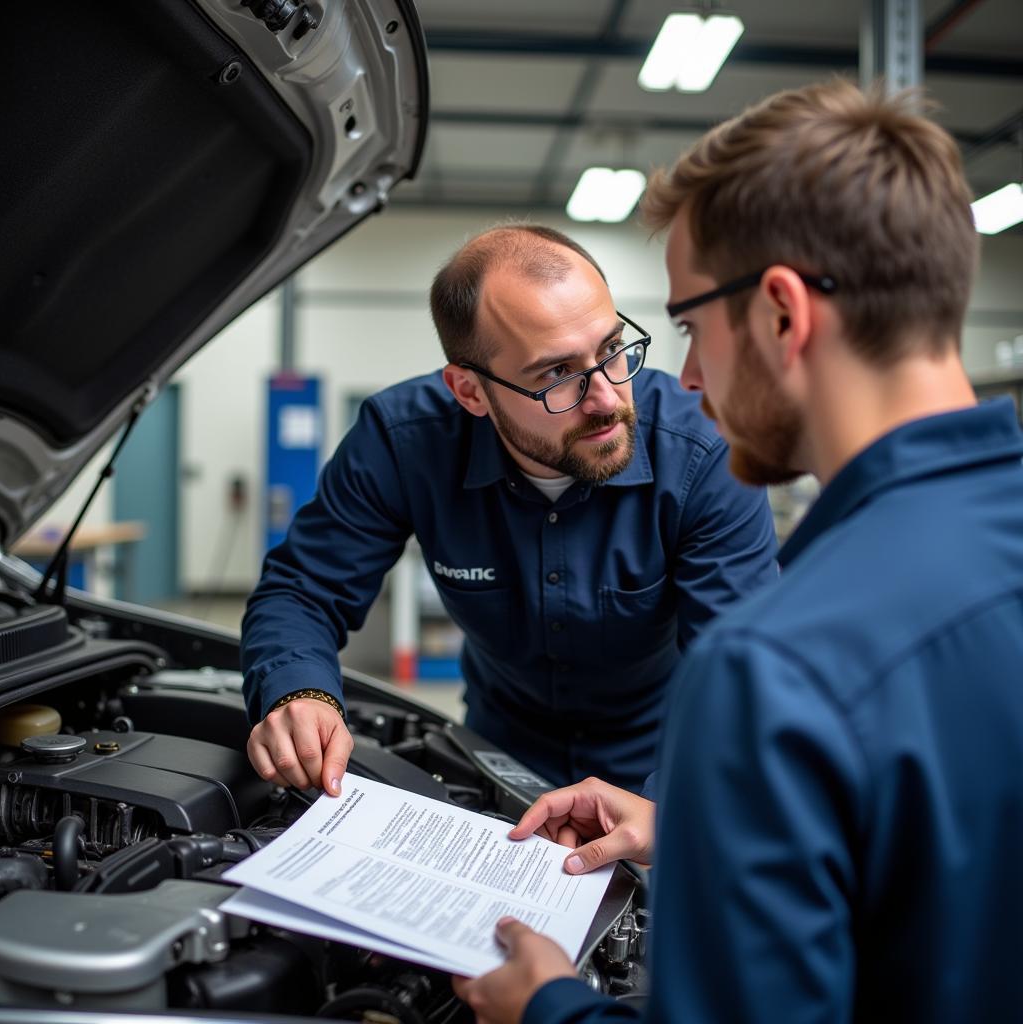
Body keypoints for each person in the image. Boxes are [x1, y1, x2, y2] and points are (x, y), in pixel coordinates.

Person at [454, 81, 1023, 1023]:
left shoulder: (778, 667)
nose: (682, 379)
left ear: (781, 314)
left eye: (688, 328)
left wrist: (550, 1006)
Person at [240, 224, 777, 797]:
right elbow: (303, 589)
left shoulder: (704, 450)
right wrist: (300, 692)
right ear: (470, 391)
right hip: (497, 758)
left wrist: (670, 806)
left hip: (662, 755)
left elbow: (739, 676)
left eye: (613, 350)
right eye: (558, 375)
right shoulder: (404, 442)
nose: (607, 399)